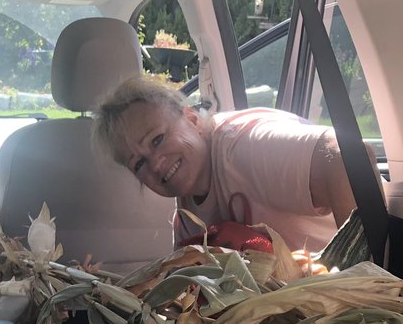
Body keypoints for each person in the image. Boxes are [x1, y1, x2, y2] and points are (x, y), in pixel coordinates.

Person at [92, 75, 377, 254]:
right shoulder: (188, 217)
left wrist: (359, 271)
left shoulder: (243, 146)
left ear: (191, 118)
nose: (155, 164)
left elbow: (347, 155)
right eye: (139, 164)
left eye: (157, 140)